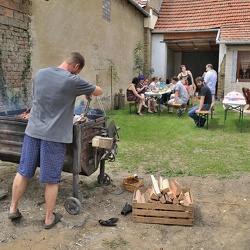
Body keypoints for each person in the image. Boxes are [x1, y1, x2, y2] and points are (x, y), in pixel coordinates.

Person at [8, 52, 103, 229]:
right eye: (77, 71)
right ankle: (49, 218)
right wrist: (86, 90)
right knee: (51, 179)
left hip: (33, 131)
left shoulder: (40, 73)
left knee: (23, 171)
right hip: (54, 136)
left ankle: (13, 208)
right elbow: (98, 91)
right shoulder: (72, 80)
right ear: (76, 67)